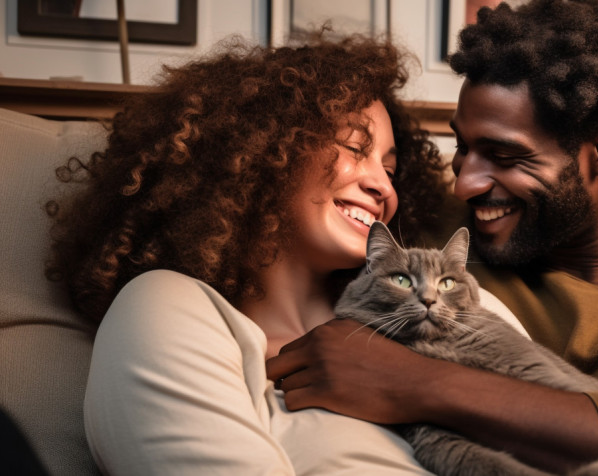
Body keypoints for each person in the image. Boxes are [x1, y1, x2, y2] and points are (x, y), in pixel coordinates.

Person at [266, 1, 598, 475]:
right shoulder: (428, 246)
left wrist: (416, 383)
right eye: (461, 148)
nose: (465, 182)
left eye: (505, 156)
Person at [47, 33, 458, 474]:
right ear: (264, 148)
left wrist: (419, 383)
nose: (384, 187)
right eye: (356, 147)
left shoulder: (445, 297)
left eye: (390, 170)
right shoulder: (163, 309)